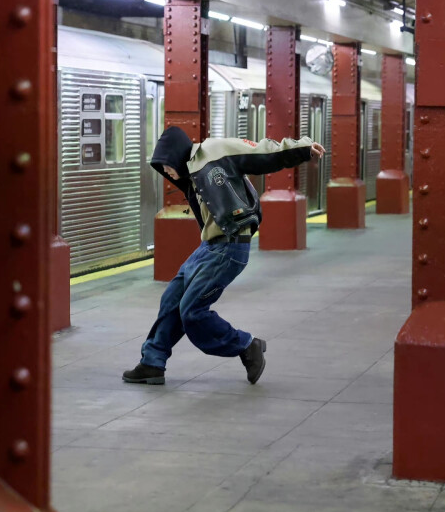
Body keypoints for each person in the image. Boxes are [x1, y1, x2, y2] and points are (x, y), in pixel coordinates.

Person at [122, 126, 325, 386]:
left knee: (192, 311)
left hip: (230, 245)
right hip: (209, 247)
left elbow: (260, 152)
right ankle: (152, 362)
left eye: (165, 166)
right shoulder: (192, 174)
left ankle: (247, 346)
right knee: (172, 298)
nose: (165, 173)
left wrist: (301, 148)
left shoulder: (214, 151)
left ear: (174, 155)